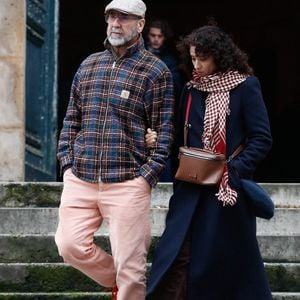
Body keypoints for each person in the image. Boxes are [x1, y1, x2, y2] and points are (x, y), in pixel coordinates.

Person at [54, 0, 174, 299]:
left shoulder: (155, 71)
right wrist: (67, 161)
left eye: (124, 18)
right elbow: (72, 119)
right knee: (69, 246)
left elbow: (165, 129)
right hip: (81, 176)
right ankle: (120, 281)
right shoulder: (89, 64)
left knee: (131, 269)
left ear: (141, 24)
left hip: (127, 181)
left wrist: (146, 175)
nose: (115, 23)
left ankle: (129, 284)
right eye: (111, 17)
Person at [146, 25, 273, 299]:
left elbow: (261, 138)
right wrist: (158, 141)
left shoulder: (246, 86)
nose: (197, 64)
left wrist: (232, 171)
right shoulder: (191, 89)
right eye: (192, 58)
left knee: (220, 266)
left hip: (227, 193)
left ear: (219, 56)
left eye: (202, 58)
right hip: (190, 188)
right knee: (176, 256)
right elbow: (179, 135)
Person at [145, 19, 183, 182]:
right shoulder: (138, 56)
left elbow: (178, 87)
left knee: (163, 150)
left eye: (159, 36)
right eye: (153, 35)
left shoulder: (171, 61)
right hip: (140, 112)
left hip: (163, 114)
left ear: (164, 38)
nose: (155, 39)